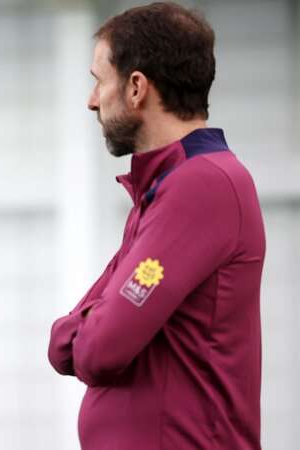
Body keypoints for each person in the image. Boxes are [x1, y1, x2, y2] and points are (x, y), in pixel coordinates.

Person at [47, 3, 265, 449]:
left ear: (136, 88)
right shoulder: (166, 189)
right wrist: (86, 327)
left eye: (98, 80)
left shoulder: (202, 187)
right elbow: (61, 346)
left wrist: (84, 326)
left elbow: (98, 349)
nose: (91, 100)